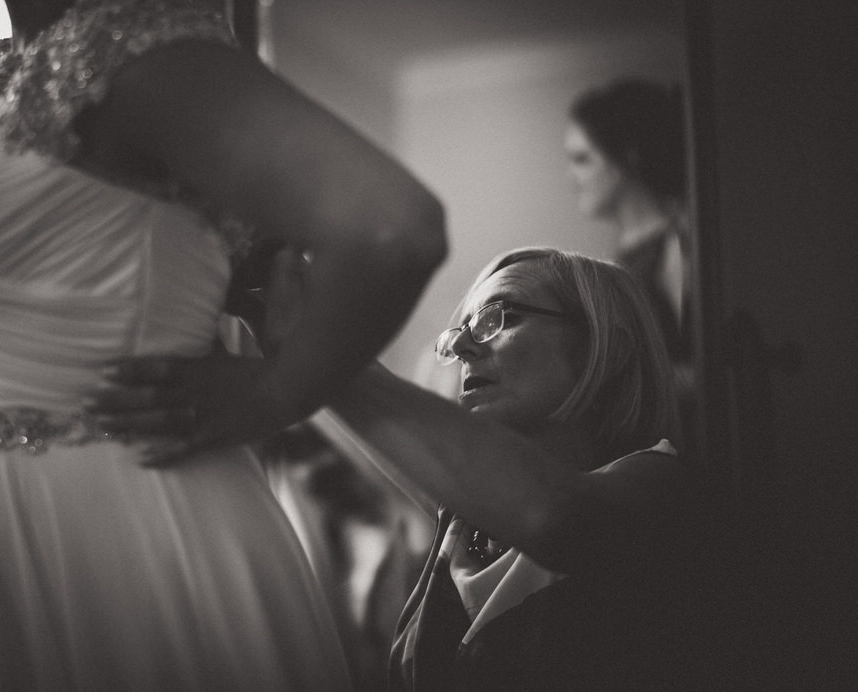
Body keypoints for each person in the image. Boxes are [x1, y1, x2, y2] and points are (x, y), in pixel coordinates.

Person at [0, 0, 445, 688]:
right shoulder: (22, 65)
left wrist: (278, 395)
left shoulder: (141, 49)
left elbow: (392, 227)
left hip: (142, 515)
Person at [91, 246, 718, 689]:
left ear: (610, 344)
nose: (465, 345)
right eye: (462, 330)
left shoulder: (663, 487)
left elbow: (561, 517)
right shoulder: (457, 524)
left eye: (499, 317)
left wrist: (318, 360)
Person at [564, 79, 695, 449]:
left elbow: (705, 370)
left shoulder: (680, 243)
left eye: (582, 159)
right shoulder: (624, 254)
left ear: (629, 156)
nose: (571, 178)